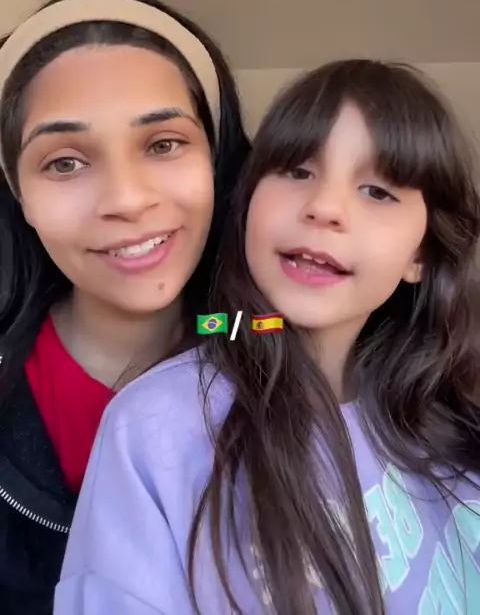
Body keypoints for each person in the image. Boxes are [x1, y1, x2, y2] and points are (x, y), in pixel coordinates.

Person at [55, 59, 480, 615]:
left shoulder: (453, 414)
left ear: (420, 254)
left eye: (377, 191)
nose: (324, 208)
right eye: (298, 171)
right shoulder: (154, 428)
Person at [0, 0, 250, 615]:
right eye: (64, 163)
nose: (127, 200)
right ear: (19, 194)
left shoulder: (262, 341)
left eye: (163, 144)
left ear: (216, 162)